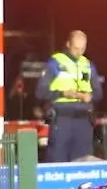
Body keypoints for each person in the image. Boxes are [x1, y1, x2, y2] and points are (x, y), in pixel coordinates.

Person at [37, 30, 103, 162]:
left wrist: (89, 96)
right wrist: (63, 93)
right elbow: (40, 92)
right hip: (62, 119)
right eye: (76, 48)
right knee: (57, 160)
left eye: (83, 49)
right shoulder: (55, 63)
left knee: (83, 161)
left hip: (84, 120)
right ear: (68, 44)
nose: (79, 52)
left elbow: (98, 93)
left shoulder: (88, 65)